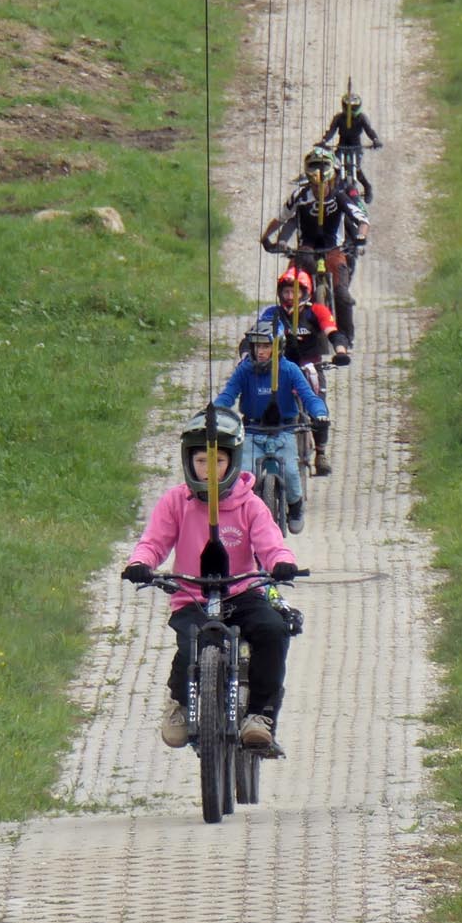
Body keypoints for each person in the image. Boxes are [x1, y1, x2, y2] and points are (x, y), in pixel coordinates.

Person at [121, 406, 300, 751]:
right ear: (189, 462)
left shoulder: (250, 505)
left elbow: (271, 544)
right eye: (202, 461)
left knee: (273, 631)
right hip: (192, 594)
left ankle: (259, 715)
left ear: (232, 462)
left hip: (241, 593)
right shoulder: (176, 502)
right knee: (192, 641)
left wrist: (282, 563)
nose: (209, 470)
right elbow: (153, 542)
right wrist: (140, 563)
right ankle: (180, 703)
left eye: (217, 461)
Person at [216, 321, 328, 534]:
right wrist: (215, 412)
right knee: (244, 476)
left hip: (284, 430)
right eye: (256, 346)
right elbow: (228, 395)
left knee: (292, 474)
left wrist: (320, 413)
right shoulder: (245, 370)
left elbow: (309, 397)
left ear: (278, 348)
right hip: (252, 431)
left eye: (266, 346)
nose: (260, 351)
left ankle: (295, 508)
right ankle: (241, 514)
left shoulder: (289, 369)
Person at [260, 145, 369, 347]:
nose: (319, 189)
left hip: (334, 249)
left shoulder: (339, 196)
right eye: (315, 186)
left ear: (330, 179)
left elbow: (362, 219)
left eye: (322, 185)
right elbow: (281, 218)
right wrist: (266, 237)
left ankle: (346, 338)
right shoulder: (299, 196)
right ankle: (290, 331)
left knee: (342, 295)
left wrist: (361, 236)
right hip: (305, 248)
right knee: (291, 286)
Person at [258, 266, 347, 476]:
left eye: (294, 292)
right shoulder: (272, 314)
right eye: (286, 291)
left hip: (310, 367)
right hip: (280, 368)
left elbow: (333, 332)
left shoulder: (316, 311)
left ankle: (321, 453)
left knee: (318, 409)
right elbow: (255, 335)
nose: (290, 296)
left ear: (305, 292)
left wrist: (341, 351)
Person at [319, 90, 383, 203]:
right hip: (342, 145)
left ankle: (367, 187)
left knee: (356, 167)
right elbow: (331, 131)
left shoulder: (362, 118)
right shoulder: (338, 118)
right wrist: (324, 141)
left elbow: (369, 130)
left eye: (353, 108)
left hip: (356, 146)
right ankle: (333, 190)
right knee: (336, 168)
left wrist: (375, 140)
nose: (350, 111)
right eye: (348, 108)